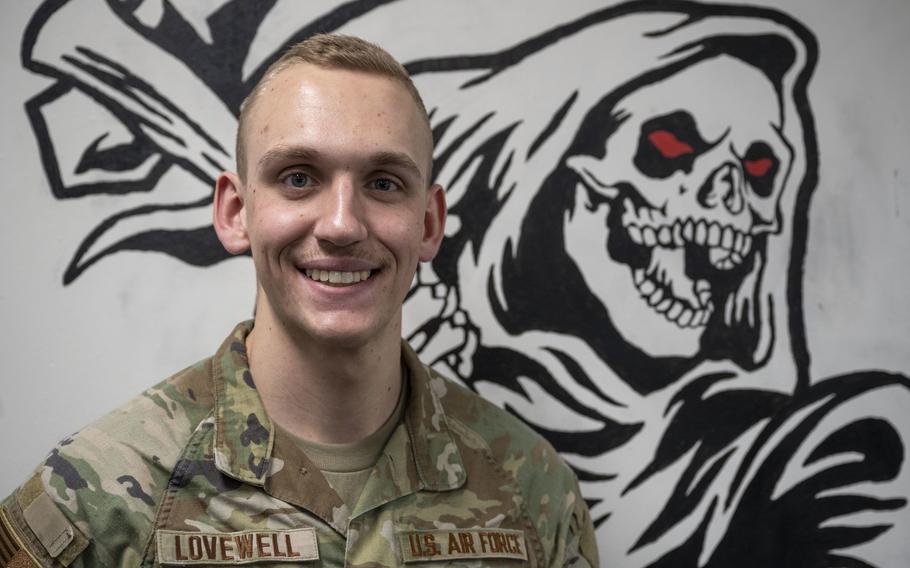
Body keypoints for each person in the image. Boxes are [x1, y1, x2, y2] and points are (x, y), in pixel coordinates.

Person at [0, 34, 597, 567]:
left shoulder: (533, 492)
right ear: (236, 213)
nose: (341, 224)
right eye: (299, 178)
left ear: (429, 224)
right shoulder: (97, 496)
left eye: (383, 183)